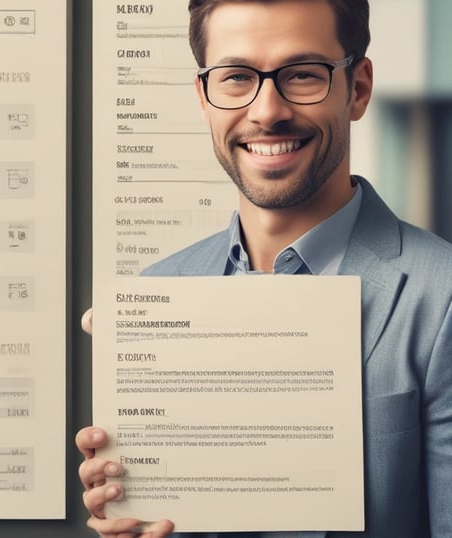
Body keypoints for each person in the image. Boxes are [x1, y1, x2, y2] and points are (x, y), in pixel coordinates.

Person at [76, 0, 452, 536]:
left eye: (302, 75)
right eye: (235, 77)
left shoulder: (443, 300)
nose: (267, 110)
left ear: (359, 88)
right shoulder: (156, 291)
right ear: (203, 97)